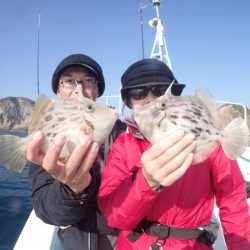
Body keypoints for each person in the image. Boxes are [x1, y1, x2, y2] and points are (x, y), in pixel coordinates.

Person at [98, 58, 250, 249]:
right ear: (129, 103)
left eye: (160, 91)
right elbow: (113, 217)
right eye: (138, 93)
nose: (150, 99)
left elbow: (233, 200)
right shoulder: (124, 145)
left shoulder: (209, 141)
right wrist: (146, 181)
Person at [27, 53, 127, 250]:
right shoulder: (45, 135)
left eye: (88, 81)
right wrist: (72, 190)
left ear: (97, 89)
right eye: (69, 81)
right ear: (58, 90)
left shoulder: (122, 133)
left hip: (123, 240)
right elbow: (46, 210)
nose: (79, 90)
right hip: (77, 242)